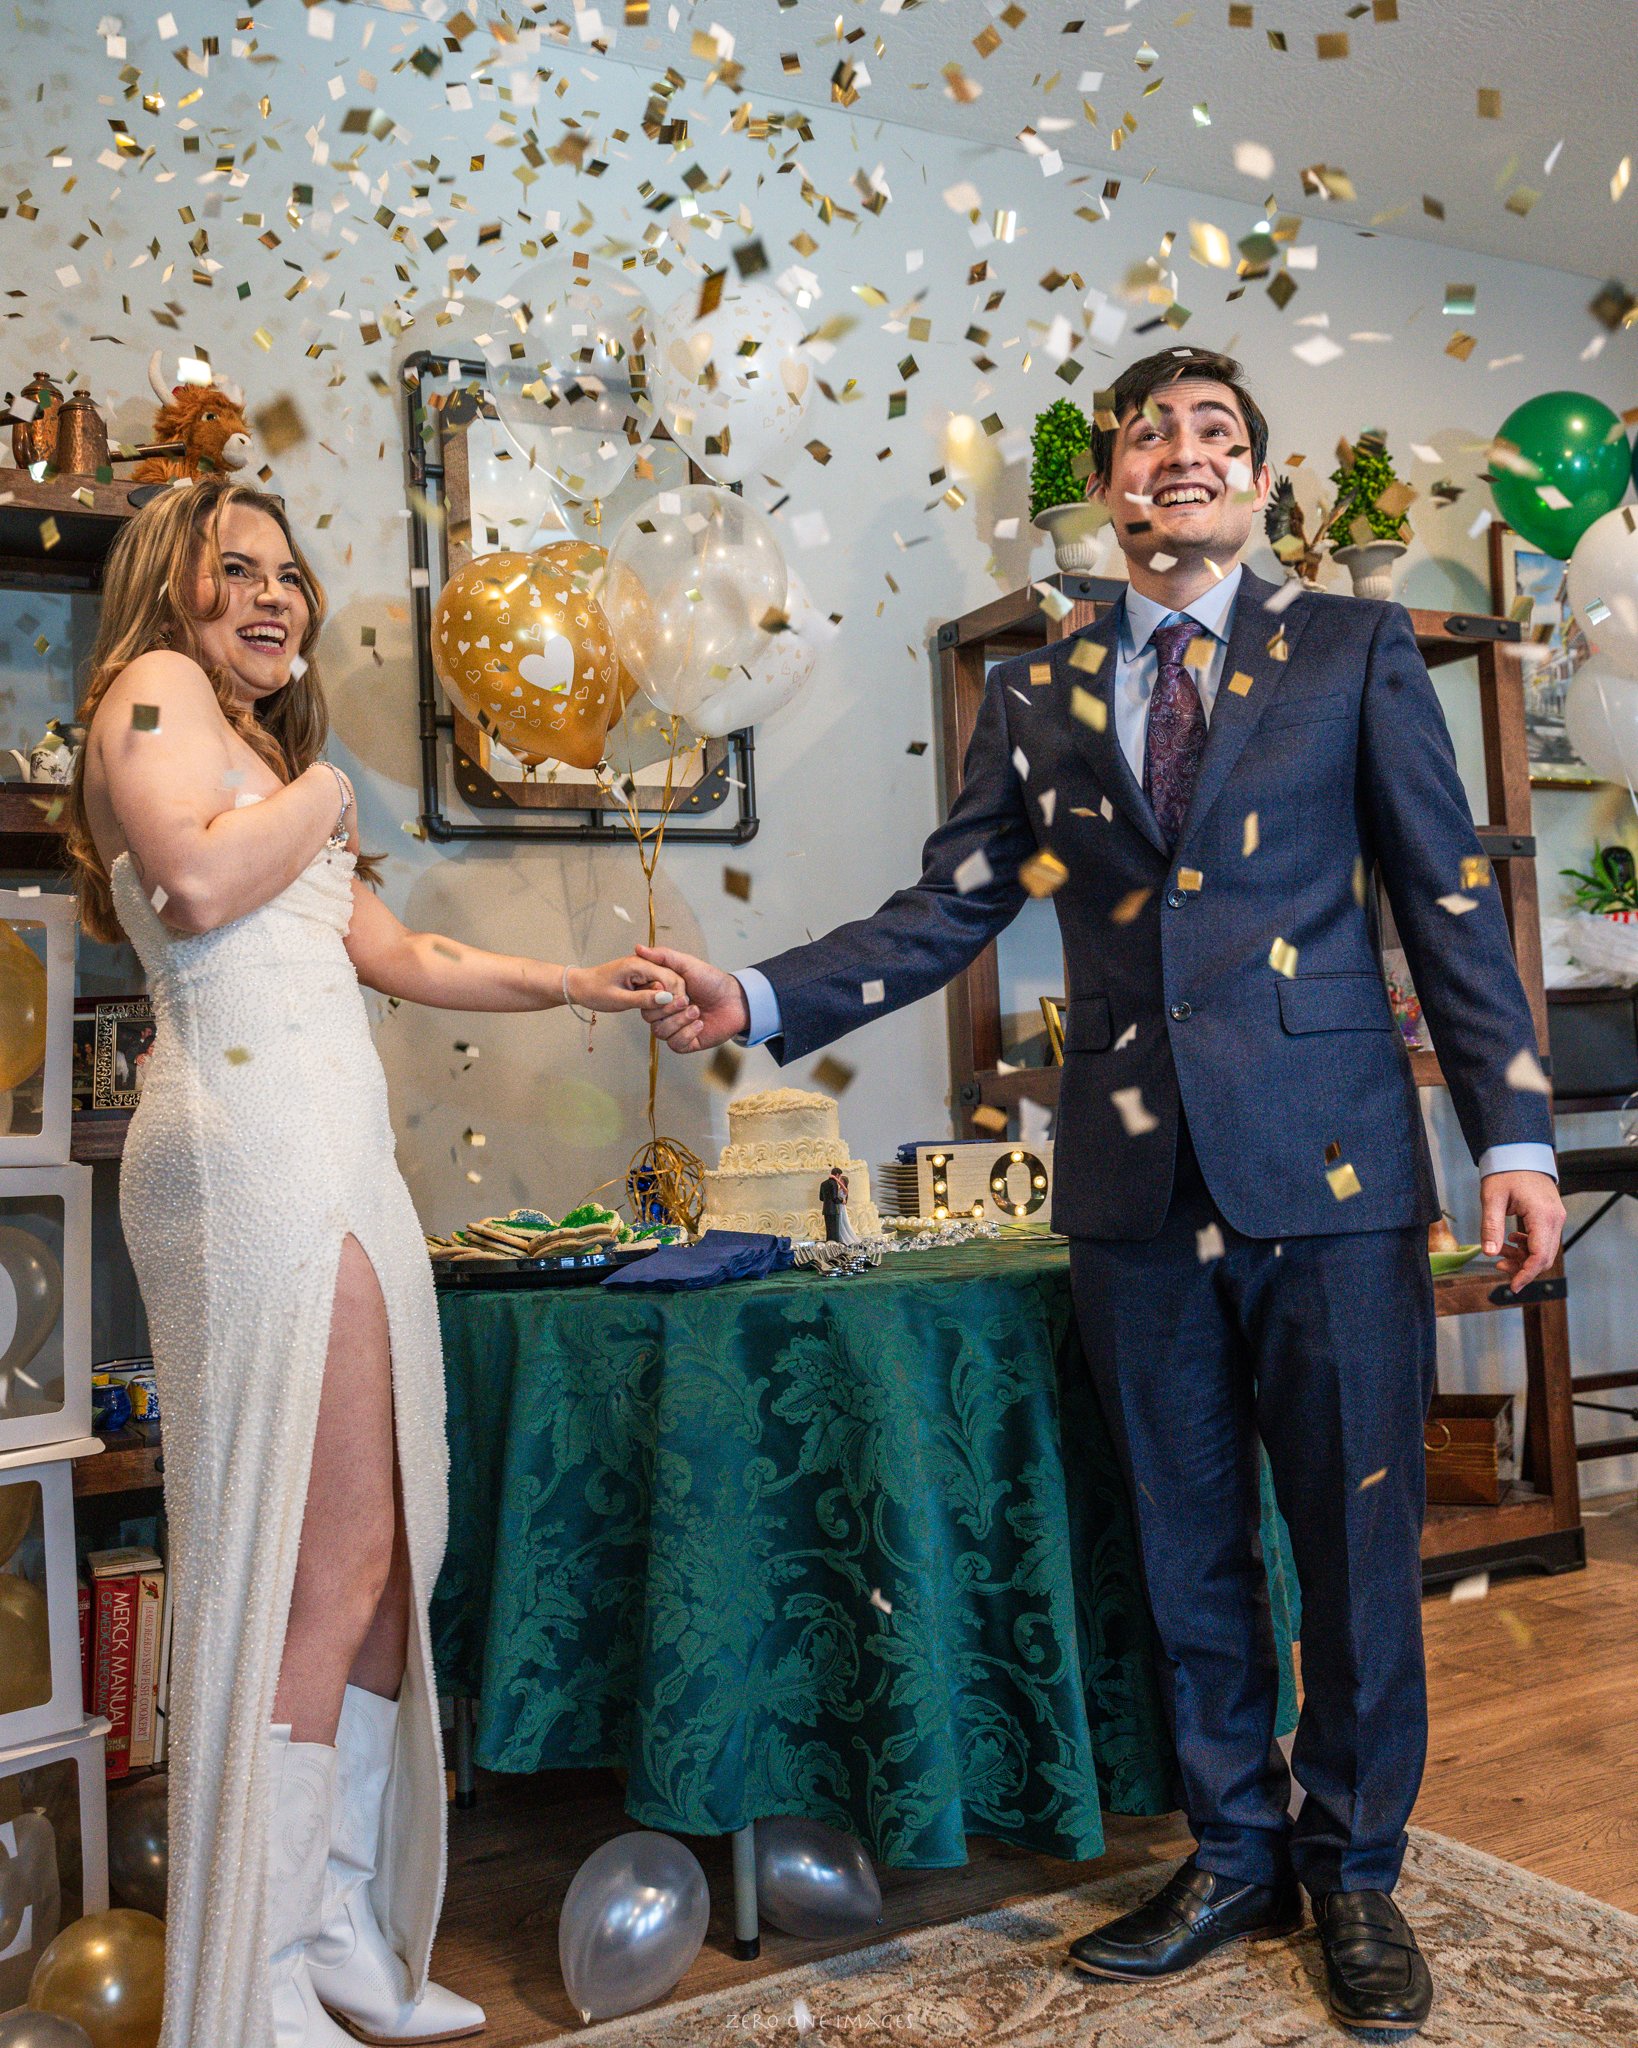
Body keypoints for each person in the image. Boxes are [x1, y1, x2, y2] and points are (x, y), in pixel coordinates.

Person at [635, 347, 1566, 2035]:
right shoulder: (1038, 688)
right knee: (1185, 1539)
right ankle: (1228, 1852)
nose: (1182, 457)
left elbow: (1444, 900)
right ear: (1110, 488)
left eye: (1217, 435)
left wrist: (1511, 1137)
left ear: (1259, 488)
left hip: (1334, 1166)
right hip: (1132, 1181)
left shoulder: (1352, 648)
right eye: (1152, 436)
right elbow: (949, 910)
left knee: (1352, 1551)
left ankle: (1352, 1876)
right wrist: (759, 997)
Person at [67, 480, 689, 2048]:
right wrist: (333, 792)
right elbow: (201, 887)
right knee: (312, 1563)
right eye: (238, 573)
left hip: (336, 1153)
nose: (273, 598)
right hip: (253, 1156)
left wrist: (572, 979)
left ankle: (341, 1921)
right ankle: (262, 1974)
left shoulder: (266, 758)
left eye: (290, 575)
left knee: (388, 1555)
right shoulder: (151, 698)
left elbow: (397, 955)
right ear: (174, 583)